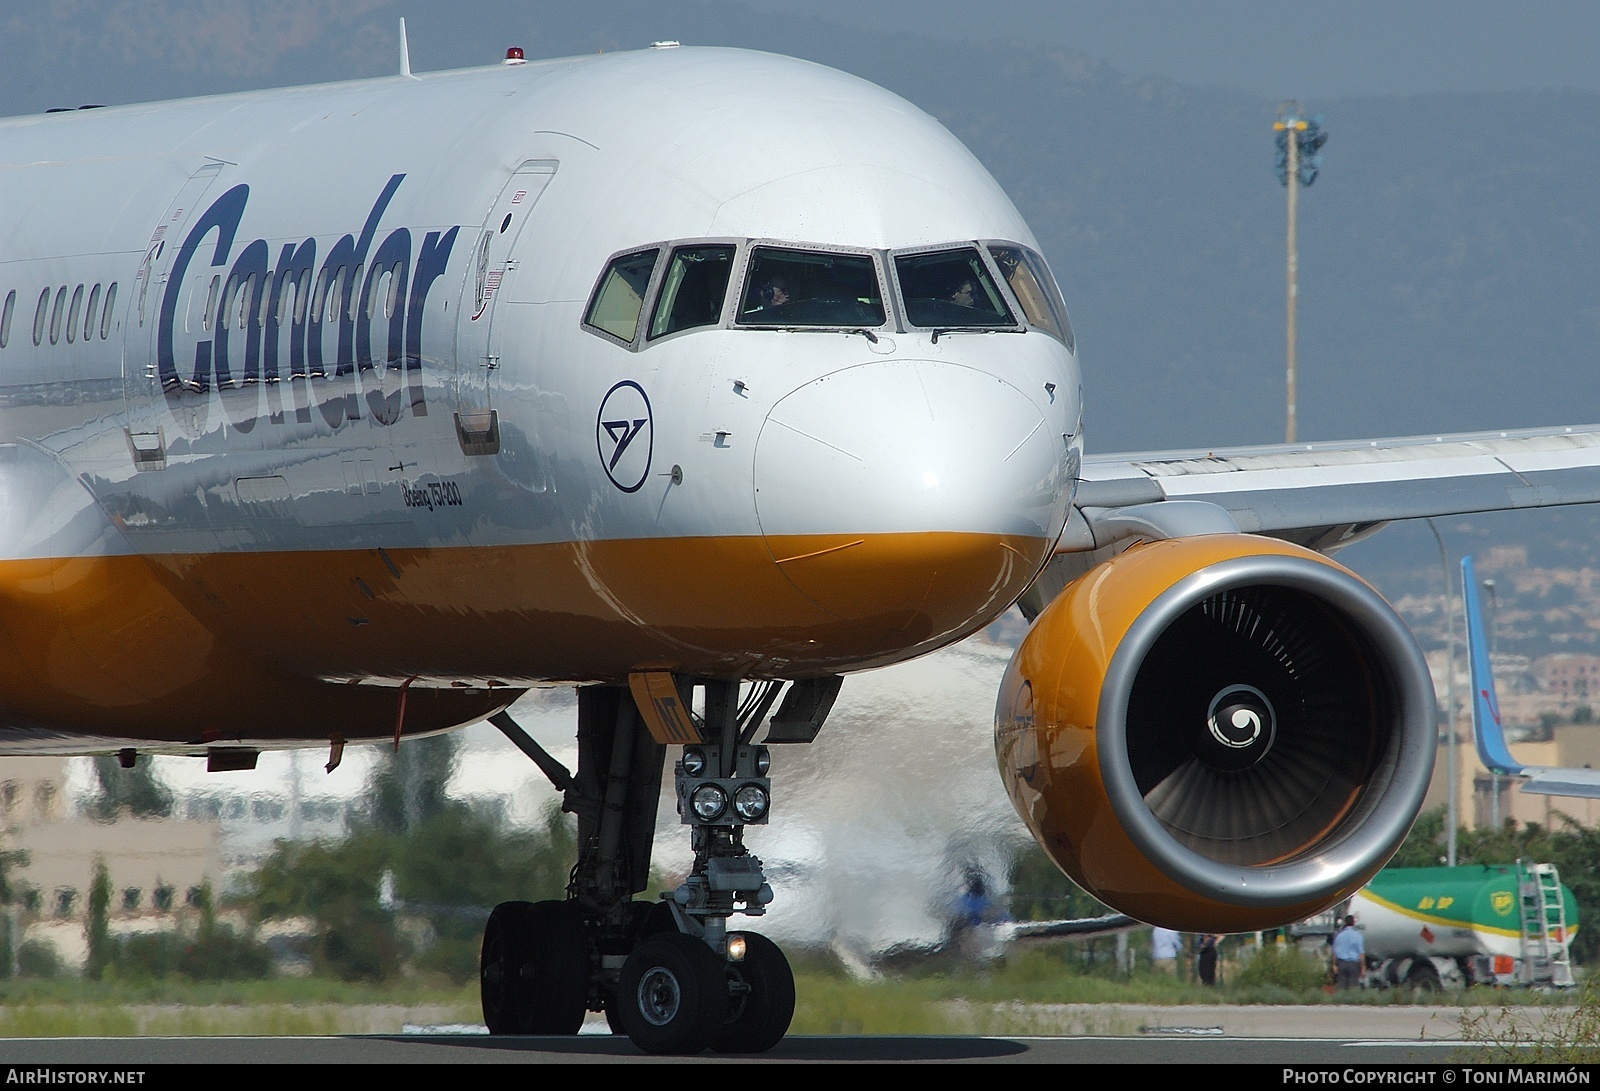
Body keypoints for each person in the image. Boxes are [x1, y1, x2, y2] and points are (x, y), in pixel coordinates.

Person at [1333, 915, 1365, 989]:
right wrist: (1363, 967)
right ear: (1353, 923)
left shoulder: (1339, 936)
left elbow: (1334, 951)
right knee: (1353, 986)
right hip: (1353, 964)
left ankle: (1341, 999)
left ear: (1345, 923)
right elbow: (1361, 953)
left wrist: (1334, 965)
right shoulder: (1358, 936)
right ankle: (1351, 999)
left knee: (1341, 985)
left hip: (1341, 963)